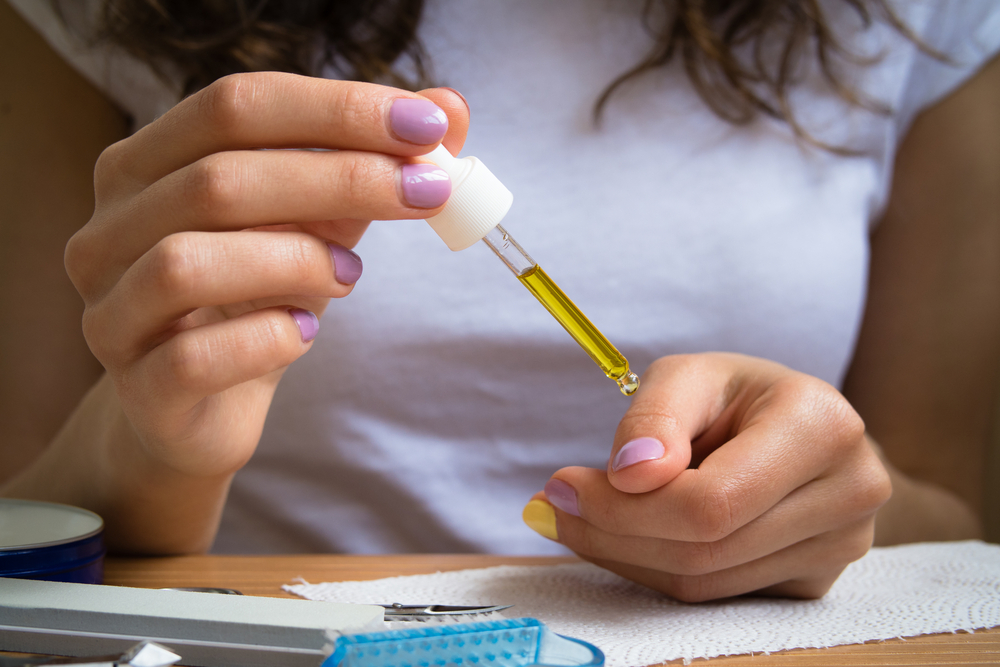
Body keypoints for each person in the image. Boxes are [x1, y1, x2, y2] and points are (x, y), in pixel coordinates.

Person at [1, 0, 998, 603]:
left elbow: (957, 523)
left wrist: (819, 505)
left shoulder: (920, 21)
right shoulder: (89, 18)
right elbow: (21, 529)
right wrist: (152, 444)